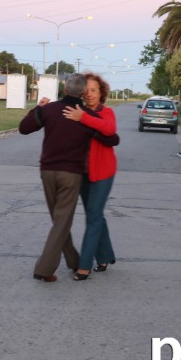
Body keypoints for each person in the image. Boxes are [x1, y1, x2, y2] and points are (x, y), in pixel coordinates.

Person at [19, 74, 96, 282]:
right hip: (71, 174)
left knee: (59, 221)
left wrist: (38, 108)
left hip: (47, 172)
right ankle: (44, 268)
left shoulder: (49, 110)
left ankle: (74, 261)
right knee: (61, 222)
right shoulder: (86, 115)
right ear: (82, 93)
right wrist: (90, 119)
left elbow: (24, 128)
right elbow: (111, 137)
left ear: (64, 90)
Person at [63, 73, 119, 280]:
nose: (89, 94)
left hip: (103, 172)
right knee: (95, 215)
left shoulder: (107, 112)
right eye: (85, 90)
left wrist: (84, 118)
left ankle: (84, 265)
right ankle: (105, 256)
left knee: (94, 216)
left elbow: (110, 129)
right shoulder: (76, 111)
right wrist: (42, 106)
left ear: (101, 92)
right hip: (82, 174)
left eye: (94, 90)